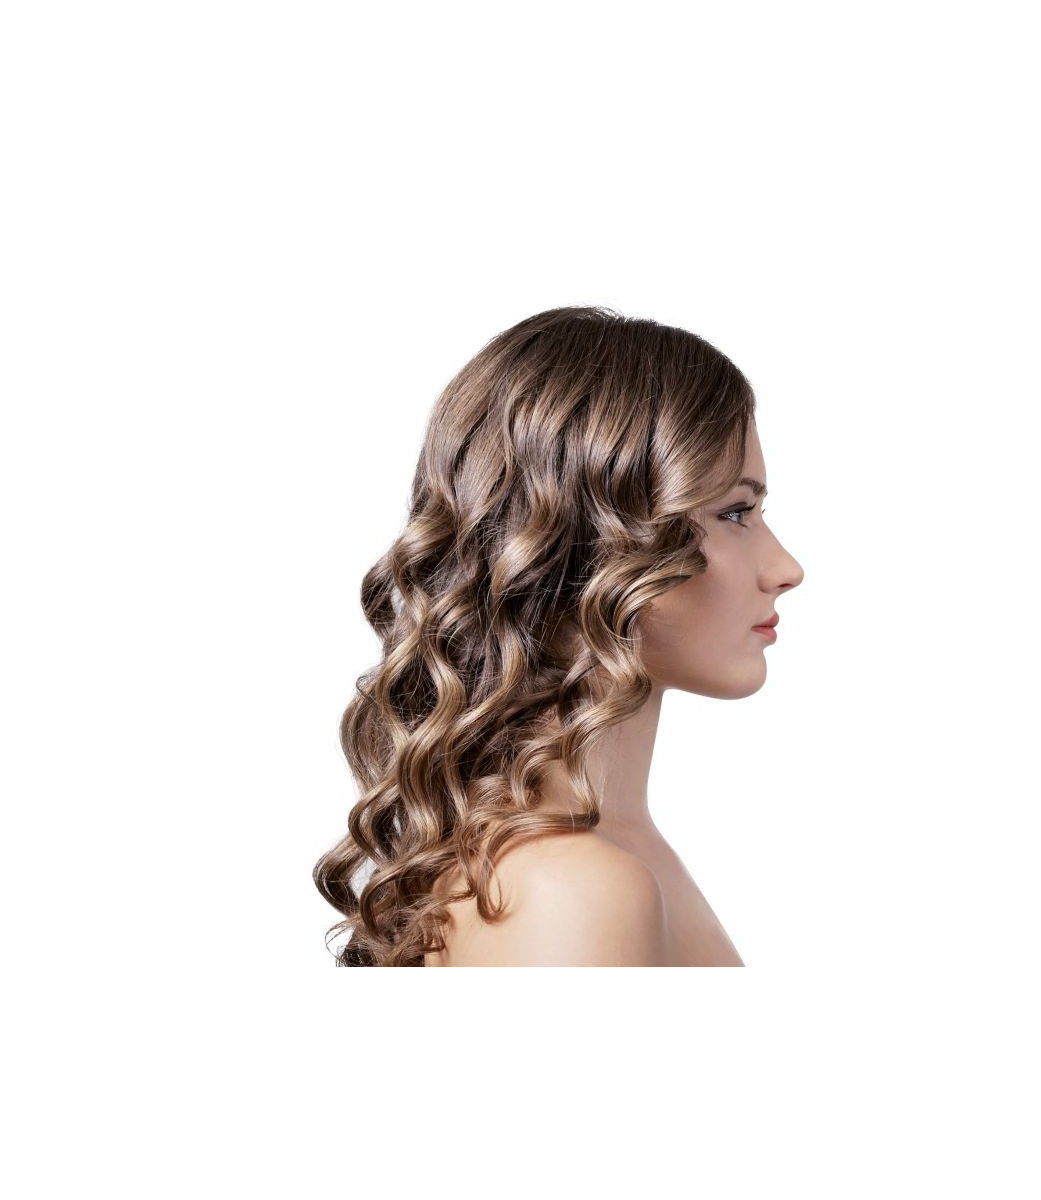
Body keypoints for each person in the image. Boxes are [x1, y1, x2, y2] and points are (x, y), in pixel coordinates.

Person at [312, 305, 804, 966]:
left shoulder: (603, 853)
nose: (786, 569)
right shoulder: (571, 888)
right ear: (591, 539)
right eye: (735, 512)